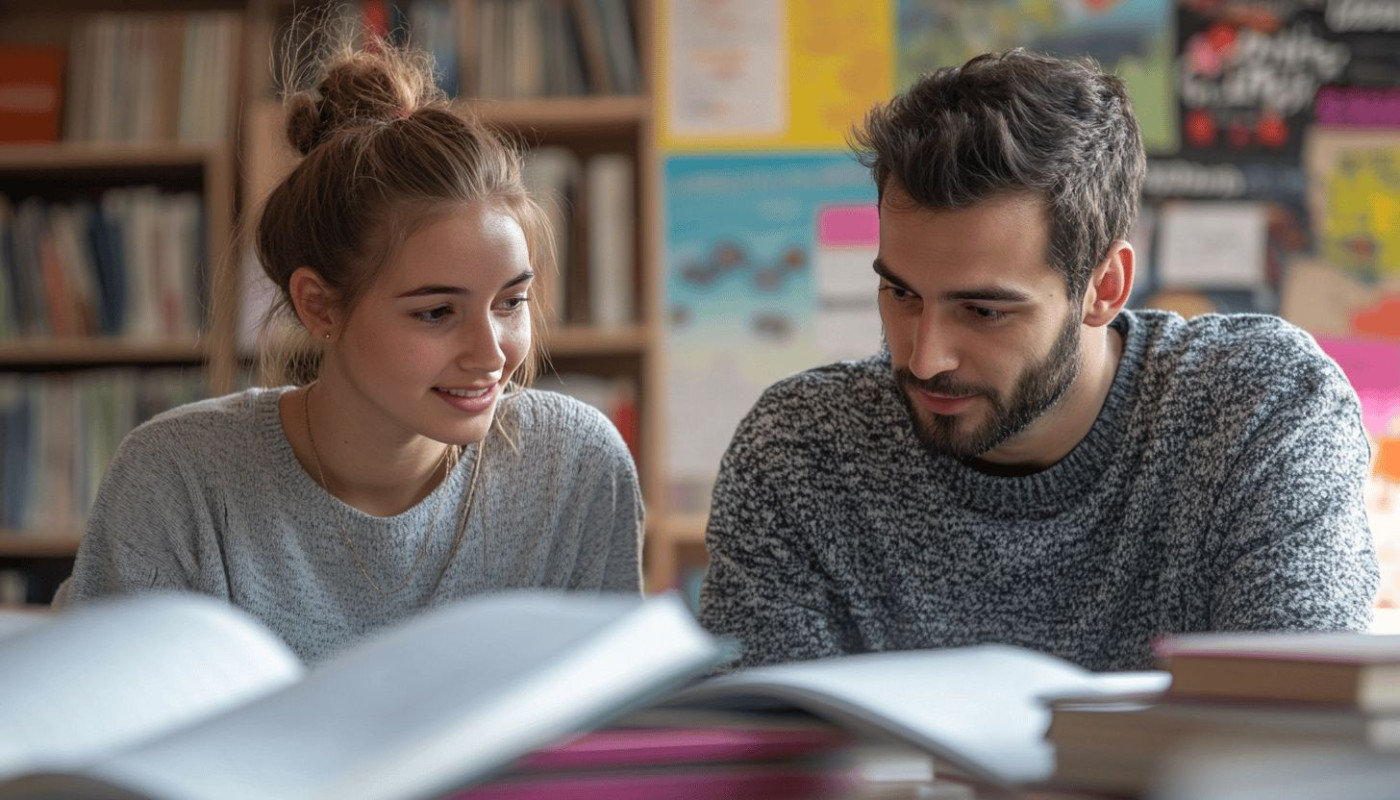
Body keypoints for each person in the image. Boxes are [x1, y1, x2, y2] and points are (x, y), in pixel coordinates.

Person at [699, 49, 1378, 673]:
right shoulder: (800, 454)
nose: (924, 356)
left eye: (984, 310)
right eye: (900, 293)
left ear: (1103, 288)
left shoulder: (1262, 408)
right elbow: (762, 762)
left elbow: (1294, 744)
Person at [60, 38, 642, 663]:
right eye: (437, 312)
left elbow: (613, 725)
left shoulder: (575, 466)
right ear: (319, 306)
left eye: (510, 303)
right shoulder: (177, 477)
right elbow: (97, 719)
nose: (491, 354)